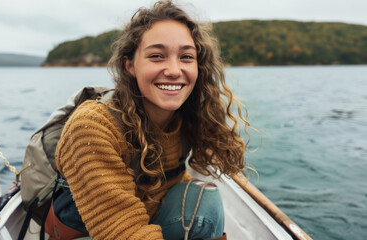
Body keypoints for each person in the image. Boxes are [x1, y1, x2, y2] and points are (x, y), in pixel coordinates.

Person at [52, 1, 249, 239]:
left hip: (145, 217)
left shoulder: (186, 118)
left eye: (186, 57)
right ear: (130, 65)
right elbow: (123, 231)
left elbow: (172, 179)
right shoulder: (94, 126)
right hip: (91, 232)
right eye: (157, 56)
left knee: (202, 196)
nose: (175, 70)